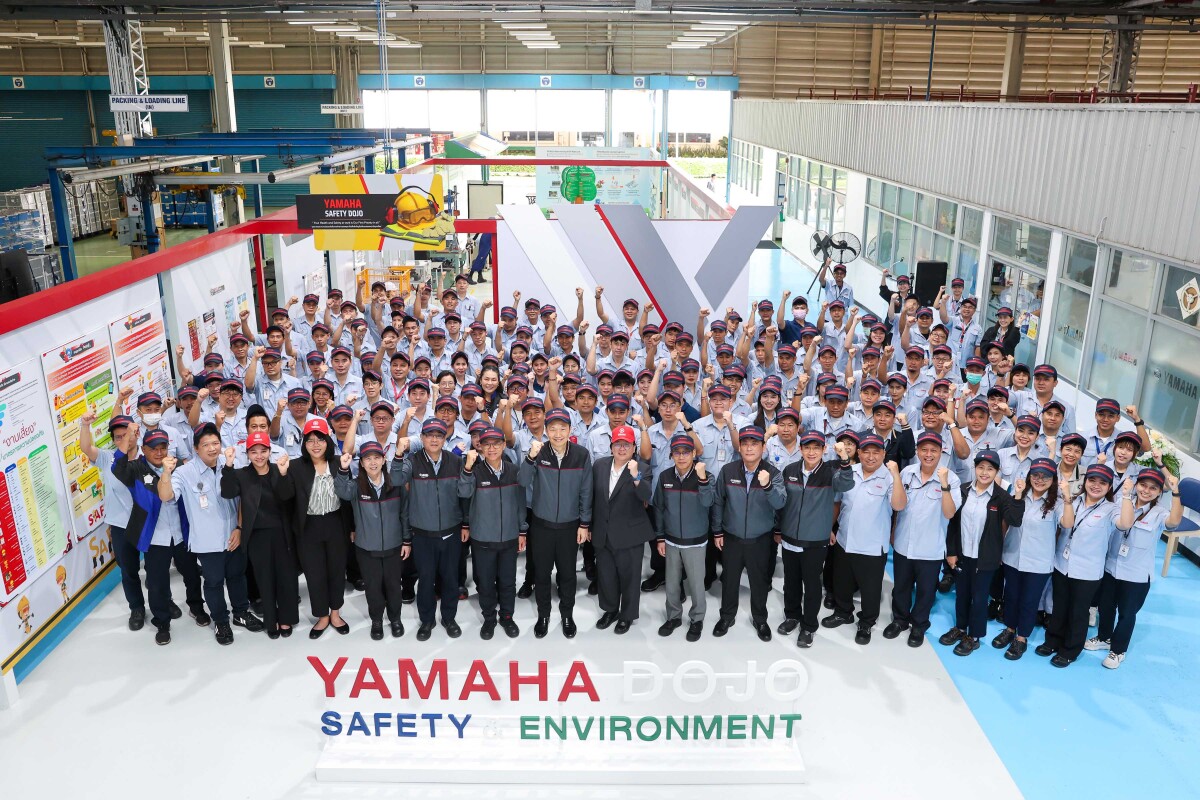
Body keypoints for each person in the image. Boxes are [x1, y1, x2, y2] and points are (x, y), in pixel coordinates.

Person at [159, 423, 264, 646]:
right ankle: (221, 621)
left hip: (234, 536)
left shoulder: (232, 464)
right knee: (214, 583)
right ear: (196, 448)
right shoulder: (184, 473)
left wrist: (240, 529)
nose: (212, 448)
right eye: (206, 444)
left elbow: (243, 500)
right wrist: (165, 473)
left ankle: (241, 613)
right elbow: (166, 496)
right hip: (207, 541)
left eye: (215, 443)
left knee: (237, 576)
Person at [110, 428, 206, 646]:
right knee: (156, 583)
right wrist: (128, 437)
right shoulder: (136, 469)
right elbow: (117, 466)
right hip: (155, 538)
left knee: (192, 574)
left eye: (163, 448)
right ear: (143, 449)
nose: (159, 452)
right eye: (154, 448)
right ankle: (162, 623)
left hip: (181, 534)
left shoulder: (177, 467)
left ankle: (197, 607)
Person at [1090, 468, 1183, 669]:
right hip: (1111, 568)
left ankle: (1118, 651)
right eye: (1143, 485)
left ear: (1159, 492)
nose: (1146, 491)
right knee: (1105, 606)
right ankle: (1104, 638)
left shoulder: (1159, 513)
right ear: (1136, 485)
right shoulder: (1123, 503)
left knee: (1126, 613)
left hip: (1136, 575)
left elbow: (1174, 521)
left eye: (1153, 488)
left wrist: (1176, 493)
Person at [821, 434, 905, 645]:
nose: (871, 456)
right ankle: (843, 612)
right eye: (866, 451)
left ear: (883, 454)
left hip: (872, 546)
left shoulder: (889, 477)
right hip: (845, 540)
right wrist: (829, 527)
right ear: (858, 453)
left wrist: (896, 475)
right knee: (841, 581)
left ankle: (866, 622)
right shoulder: (848, 472)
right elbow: (837, 503)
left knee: (870, 589)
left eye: (876, 452)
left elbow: (899, 505)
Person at [939, 449, 1024, 656]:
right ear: (974, 468)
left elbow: (1014, 520)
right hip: (962, 555)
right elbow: (953, 523)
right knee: (962, 594)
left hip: (985, 558)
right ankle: (960, 628)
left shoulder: (1001, 496)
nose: (985, 472)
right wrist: (951, 552)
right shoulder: (964, 490)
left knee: (979, 598)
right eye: (981, 467)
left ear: (997, 472)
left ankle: (974, 636)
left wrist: (1018, 496)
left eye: (990, 469)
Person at [1037, 463, 1121, 668]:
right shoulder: (1072, 500)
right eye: (1092, 480)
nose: (1096, 485)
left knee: (1078, 611)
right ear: (1085, 481)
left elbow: (1125, 524)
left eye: (1102, 482)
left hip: (1087, 570)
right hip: (1062, 564)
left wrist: (1126, 495)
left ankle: (1070, 650)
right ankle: (1052, 641)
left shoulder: (1111, 509)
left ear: (1109, 487)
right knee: (1059, 606)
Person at [778, 431, 856, 648]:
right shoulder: (790, 470)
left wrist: (844, 460)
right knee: (790, 582)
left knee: (812, 585)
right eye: (807, 447)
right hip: (789, 538)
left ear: (824, 450)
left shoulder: (831, 472)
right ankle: (792, 616)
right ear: (800, 449)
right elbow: (782, 502)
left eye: (816, 448)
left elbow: (846, 485)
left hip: (815, 541)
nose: (811, 452)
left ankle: (809, 626)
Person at [520, 407, 593, 638]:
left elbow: (586, 490)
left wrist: (584, 524)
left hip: (570, 526)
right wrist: (530, 457)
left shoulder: (581, 454)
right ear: (546, 430)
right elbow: (522, 480)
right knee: (542, 573)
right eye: (553, 429)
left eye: (563, 428)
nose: (558, 433)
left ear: (570, 430)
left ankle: (567, 615)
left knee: (568, 574)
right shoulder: (538, 452)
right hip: (541, 525)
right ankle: (543, 615)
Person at [219, 432, 299, 639]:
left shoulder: (279, 469)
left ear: (270, 452)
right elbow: (227, 492)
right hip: (256, 536)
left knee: (286, 577)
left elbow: (287, 496)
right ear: (247, 454)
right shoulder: (242, 474)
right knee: (264, 578)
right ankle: (271, 620)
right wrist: (228, 466)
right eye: (254, 452)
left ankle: (286, 619)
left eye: (263, 451)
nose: (259, 456)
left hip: (282, 533)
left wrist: (283, 475)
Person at [392, 418, 466, 641]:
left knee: (450, 579)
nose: (434, 439)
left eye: (439, 435)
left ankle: (449, 618)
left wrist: (465, 523)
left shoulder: (456, 461)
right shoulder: (412, 461)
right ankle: (427, 620)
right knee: (425, 580)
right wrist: (398, 454)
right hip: (423, 534)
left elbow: (465, 495)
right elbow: (396, 479)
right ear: (422, 438)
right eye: (429, 435)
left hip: (451, 532)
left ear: (445, 438)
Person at [711, 425, 787, 641]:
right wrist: (717, 531)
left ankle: (760, 619)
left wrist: (768, 485)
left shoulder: (773, 473)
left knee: (759, 581)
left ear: (763, 447)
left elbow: (780, 503)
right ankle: (727, 616)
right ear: (740, 447)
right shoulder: (728, 471)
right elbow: (718, 502)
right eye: (745, 443)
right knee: (730, 580)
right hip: (732, 538)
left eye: (754, 443)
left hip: (760, 540)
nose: (749, 448)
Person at [887, 433, 963, 648]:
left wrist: (944, 485)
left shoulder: (951, 479)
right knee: (901, 587)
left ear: (941, 452)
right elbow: (897, 506)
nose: (928, 454)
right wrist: (893, 532)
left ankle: (919, 624)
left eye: (934, 450)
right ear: (917, 451)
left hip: (930, 548)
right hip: (904, 543)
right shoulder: (907, 473)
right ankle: (900, 620)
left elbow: (949, 513)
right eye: (924, 450)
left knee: (926, 591)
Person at [992, 458, 1073, 660]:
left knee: (1029, 601)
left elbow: (1067, 524)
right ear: (1029, 476)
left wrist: (1068, 498)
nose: (1039, 480)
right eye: (1036, 475)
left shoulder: (1057, 503)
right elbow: (1008, 521)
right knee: (1011, 596)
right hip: (1013, 556)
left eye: (1045, 476)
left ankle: (1021, 638)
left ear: (1053, 480)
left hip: (1038, 562)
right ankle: (1009, 629)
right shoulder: (1019, 494)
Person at [285, 418, 353, 639]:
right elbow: (286, 498)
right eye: (310, 440)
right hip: (309, 527)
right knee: (314, 573)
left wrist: (352, 528)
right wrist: (283, 475)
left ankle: (336, 613)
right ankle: (322, 615)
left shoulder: (339, 462)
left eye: (320, 439)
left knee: (337, 570)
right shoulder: (295, 467)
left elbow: (348, 498)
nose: (316, 445)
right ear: (304, 443)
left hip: (335, 523)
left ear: (328, 441)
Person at [335, 440, 408, 641]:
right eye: (368, 459)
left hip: (394, 546)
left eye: (377, 458)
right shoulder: (356, 486)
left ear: (384, 460)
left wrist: (407, 541)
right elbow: (341, 491)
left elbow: (404, 514)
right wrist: (343, 469)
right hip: (366, 548)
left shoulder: (395, 484)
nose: (373, 462)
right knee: (373, 587)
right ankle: (376, 621)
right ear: (361, 463)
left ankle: (395, 619)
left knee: (394, 586)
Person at [458, 426, 526, 640]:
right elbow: (464, 492)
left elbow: (520, 503)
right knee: (486, 582)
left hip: (509, 536)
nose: (492, 448)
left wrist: (522, 530)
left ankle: (507, 616)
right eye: (486, 444)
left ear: (504, 445)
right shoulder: (474, 471)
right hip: (483, 538)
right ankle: (489, 618)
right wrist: (467, 469)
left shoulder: (514, 470)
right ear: (480, 447)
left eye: (496, 444)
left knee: (508, 581)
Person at [590, 424, 655, 634]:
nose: (621, 448)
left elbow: (646, 496)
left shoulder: (642, 468)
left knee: (630, 577)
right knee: (606, 575)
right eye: (617, 444)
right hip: (603, 531)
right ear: (611, 447)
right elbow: (593, 497)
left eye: (626, 444)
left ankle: (627, 615)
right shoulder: (599, 466)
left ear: (634, 447)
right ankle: (610, 610)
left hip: (629, 533)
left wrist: (636, 476)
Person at [652, 433, 716, 642]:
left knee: (697, 584)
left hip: (695, 541)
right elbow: (659, 508)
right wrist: (660, 537)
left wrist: (702, 479)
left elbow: (708, 502)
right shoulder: (665, 477)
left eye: (686, 452)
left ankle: (697, 619)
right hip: (671, 540)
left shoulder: (706, 476)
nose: (681, 457)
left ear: (694, 454)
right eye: (677, 453)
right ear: (671, 455)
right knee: (672, 584)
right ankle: (673, 617)